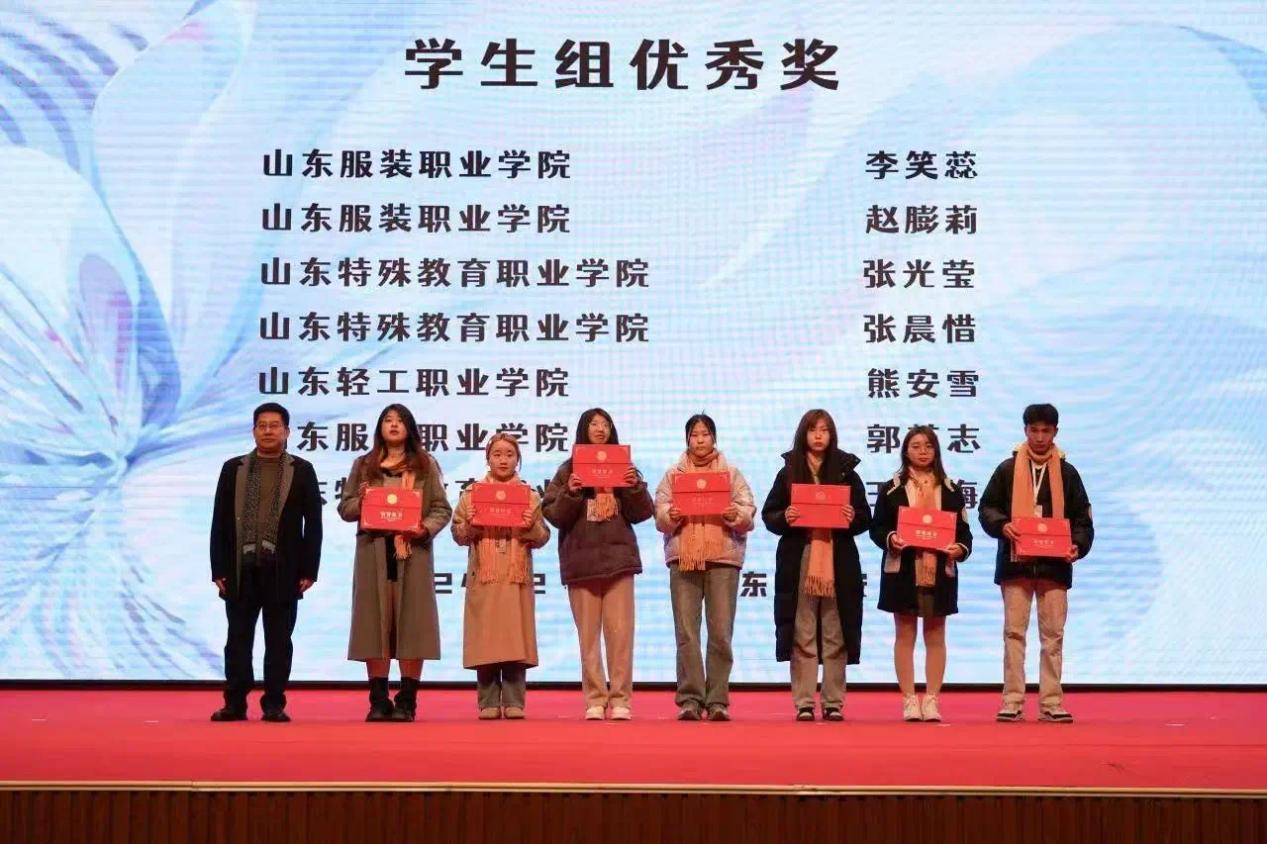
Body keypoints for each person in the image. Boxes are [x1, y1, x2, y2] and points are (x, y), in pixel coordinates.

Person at [979, 403, 1094, 723]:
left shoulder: (1068, 473)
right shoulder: (1007, 469)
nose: (1040, 437)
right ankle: (1012, 701)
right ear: (1025, 430)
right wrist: (1002, 525)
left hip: (1055, 567)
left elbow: (1082, 519)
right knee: (1013, 634)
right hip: (1015, 564)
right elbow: (986, 508)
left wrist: (1077, 546)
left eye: (1046, 431)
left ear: (1055, 432)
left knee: (1053, 637)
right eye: (1034, 430)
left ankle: (1052, 702)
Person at [209, 402, 322, 722]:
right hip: (239, 569)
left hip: (283, 570)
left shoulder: (302, 470)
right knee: (237, 640)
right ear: (254, 430)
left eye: (275, 426)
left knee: (279, 641)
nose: (268, 431)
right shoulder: (233, 469)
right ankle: (235, 702)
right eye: (262, 425)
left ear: (287, 431)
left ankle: (274, 703)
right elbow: (219, 521)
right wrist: (218, 568)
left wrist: (309, 570)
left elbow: (313, 523)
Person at [338, 404, 452, 722]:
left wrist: (423, 529)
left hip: (411, 553)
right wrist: (362, 501)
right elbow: (345, 508)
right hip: (373, 552)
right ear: (379, 428)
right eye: (387, 420)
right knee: (373, 625)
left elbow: (441, 509)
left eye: (400, 421)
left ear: (409, 428)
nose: (393, 425)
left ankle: (407, 701)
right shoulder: (364, 465)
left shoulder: (425, 465)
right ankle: (378, 700)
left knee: (412, 626)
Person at [542, 408, 654, 721]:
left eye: (606, 424)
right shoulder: (568, 469)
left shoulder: (624, 467)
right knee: (588, 638)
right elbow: (552, 514)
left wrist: (633, 487)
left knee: (620, 636)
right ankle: (594, 698)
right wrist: (571, 492)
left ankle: (620, 699)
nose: (601, 429)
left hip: (619, 561)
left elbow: (644, 512)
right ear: (584, 429)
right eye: (594, 424)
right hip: (581, 563)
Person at [762, 409, 872, 721]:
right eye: (813, 430)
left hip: (838, 559)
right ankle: (804, 702)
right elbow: (770, 515)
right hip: (801, 557)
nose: (819, 435)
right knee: (803, 631)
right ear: (804, 434)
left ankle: (833, 701)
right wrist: (785, 516)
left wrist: (852, 517)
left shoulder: (846, 472)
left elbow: (865, 516)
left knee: (836, 631)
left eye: (824, 430)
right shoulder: (789, 472)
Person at [653, 414, 756, 722]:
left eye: (705, 434)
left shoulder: (731, 474)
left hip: (723, 558)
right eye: (694, 434)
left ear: (714, 438)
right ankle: (690, 699)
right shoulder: (673, 475)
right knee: (686, 633)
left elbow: (748, 512)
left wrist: (734, 514)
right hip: (684, 559)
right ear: (687, 439)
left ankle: (718, 701)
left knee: (721, 633)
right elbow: (659, 516)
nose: (700, 440)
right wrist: (671, 516)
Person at [869, 426, 973, 722]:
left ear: (936, 451)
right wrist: (891, 538)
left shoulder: (950, 489)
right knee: (905, 635)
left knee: (936, 635)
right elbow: (877, 528)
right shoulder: (892, 488)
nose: (922, 451)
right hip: (903, 570)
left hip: (940, 570)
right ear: (905, 451)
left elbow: (964, 533)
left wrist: (960, 548)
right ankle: (908, 699)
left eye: (928, 446)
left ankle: (931, 699)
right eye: (915, 446)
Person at [451, 433, 550, 719]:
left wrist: (530, 527)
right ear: (487, 458)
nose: (503, 460)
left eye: (509, 454)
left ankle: (515, 700)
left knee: (515, 638)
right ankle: (488, 701)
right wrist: (471, 525)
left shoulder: (529, 495)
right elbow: (458, 534)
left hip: (515, 577)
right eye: (497, 454)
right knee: (486, 638)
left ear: (518, 459)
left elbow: (543, 536)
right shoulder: (471, 495)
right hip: (484, 575)